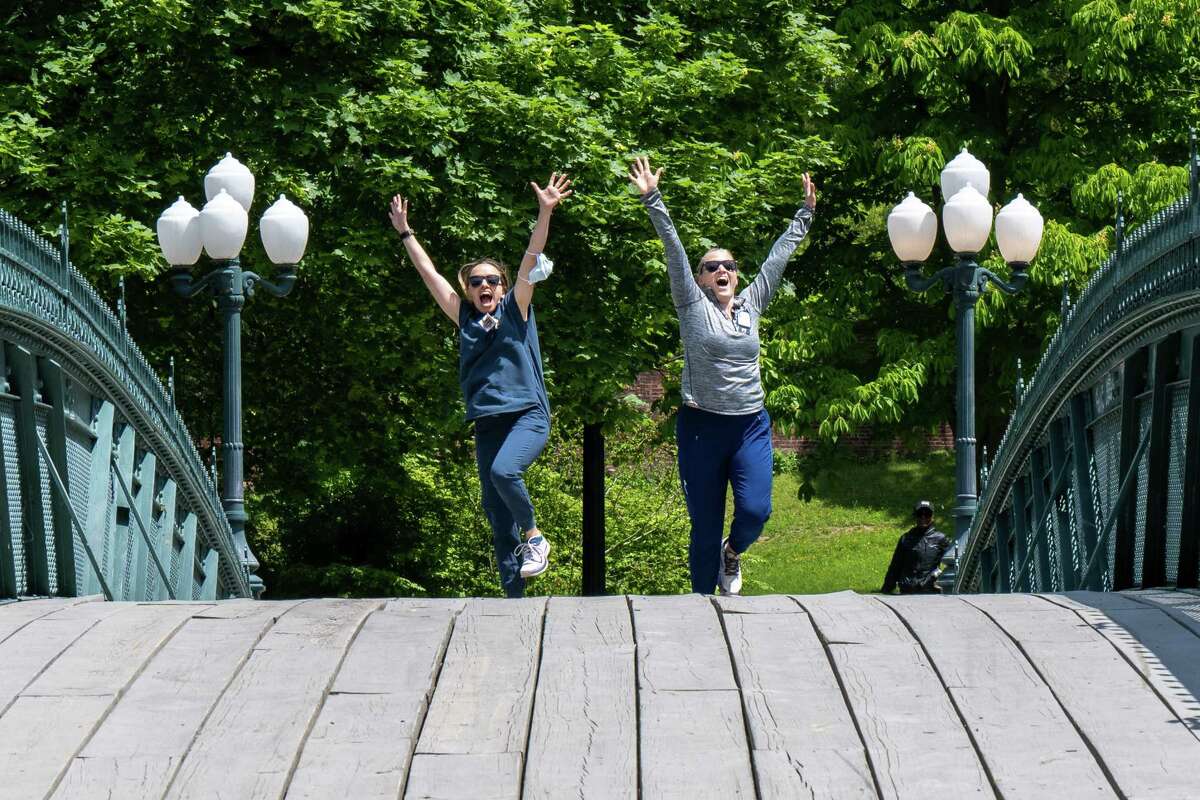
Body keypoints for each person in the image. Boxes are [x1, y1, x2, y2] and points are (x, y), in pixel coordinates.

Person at [628, 156, 816, 595]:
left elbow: (778, 258)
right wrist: (653, 199)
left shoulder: (752, 303)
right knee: (703, 528)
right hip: (701, 427)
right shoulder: (691, 306)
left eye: (728, 265)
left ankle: (733, 555)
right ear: (699, 278)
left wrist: (804, 215)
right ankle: (700, 605)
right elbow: (673, 250)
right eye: (712, 267)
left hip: (750, 424)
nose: (722, 271)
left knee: (755, 510)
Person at [388, 173, 572, 597]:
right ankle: (514, 603)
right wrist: (405, 232)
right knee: (496, 514)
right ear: (467, 290)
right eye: (476, 282)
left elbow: (532, 255)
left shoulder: (516, 309)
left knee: (505, 472)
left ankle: (536, 537)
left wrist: (545, 211)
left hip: (528, 414)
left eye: (492, 281)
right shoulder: (465, 319)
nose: (485, 286)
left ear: (504, 288)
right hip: (487, 422)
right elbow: (427, 271)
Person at [881, 501, 951, 594]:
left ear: (932, 517)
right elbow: (895, 567)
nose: (923, 517)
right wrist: (886, 590)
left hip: (930, 591)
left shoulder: (940, 539)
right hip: (907, 591)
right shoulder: (906, 539)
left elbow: (953, 562)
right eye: (920, 514)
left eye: (927, 514)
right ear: (915, 516)